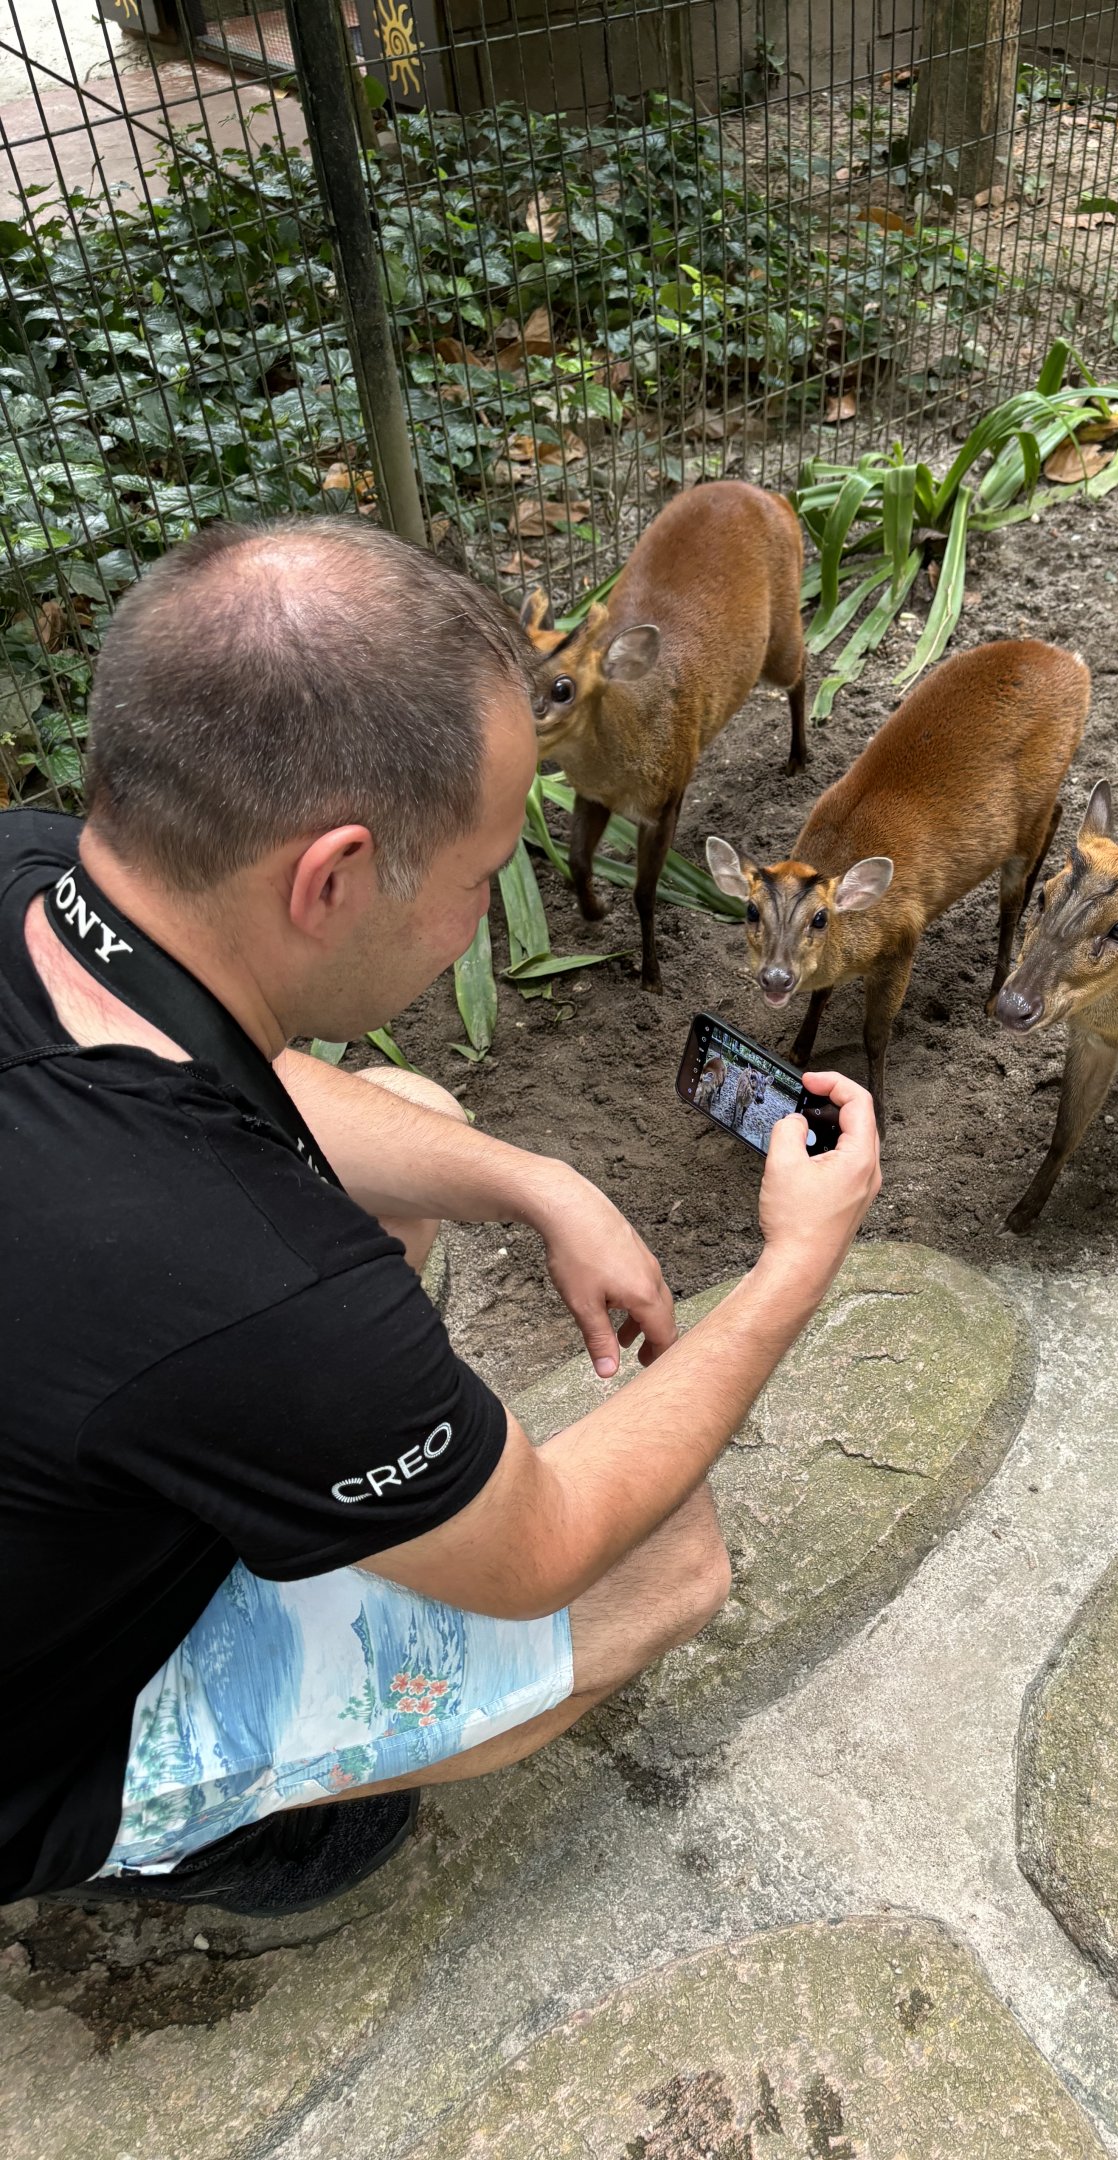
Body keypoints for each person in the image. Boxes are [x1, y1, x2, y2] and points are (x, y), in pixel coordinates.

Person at [0, 517, 881, 1915]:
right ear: (333, 878)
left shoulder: (40, 871)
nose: (484, 913)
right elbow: (543, 1547)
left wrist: (538, 1183)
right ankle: (205, 1835)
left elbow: (203, 1076)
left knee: (415, 1117)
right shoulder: (253, 1278)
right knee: (664, 1564)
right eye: (482, 878)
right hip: (43, 1744)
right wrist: (798, 1259)